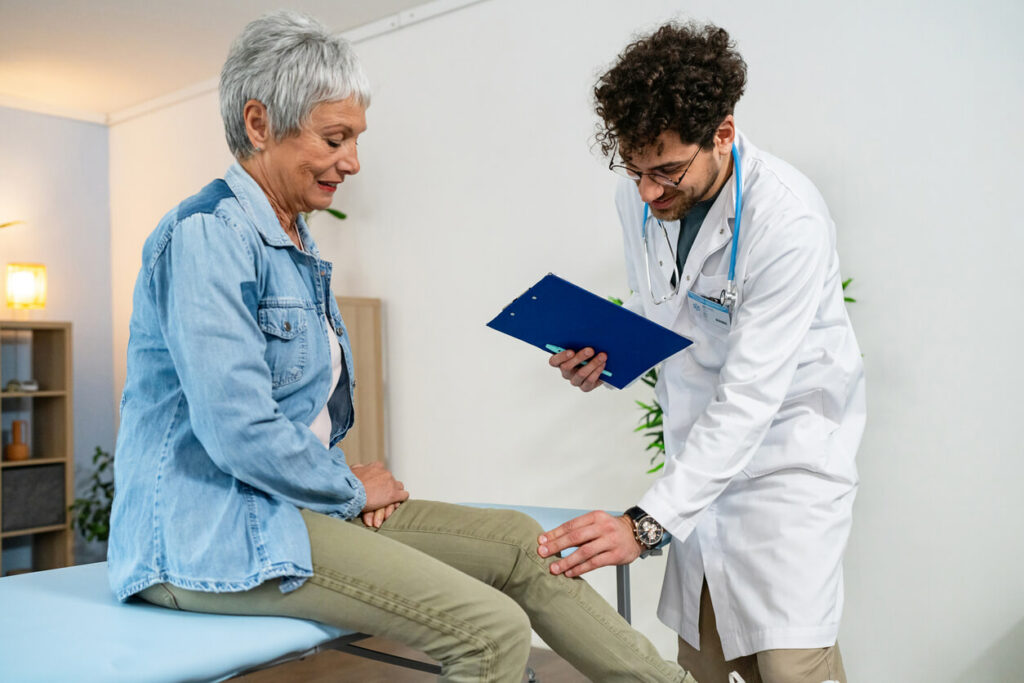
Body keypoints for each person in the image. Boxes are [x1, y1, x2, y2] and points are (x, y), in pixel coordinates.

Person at [106, 10, 693, 683]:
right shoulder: (207, 235)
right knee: (491, 632)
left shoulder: (291, 240)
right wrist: (348, 485)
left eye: (355, 139)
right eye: (335, 138)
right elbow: (238, 429)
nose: (352, 161)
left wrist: (338, 488)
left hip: (286, 509)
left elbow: (290, 418)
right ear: (259, 124)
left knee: (523, 546)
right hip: (208, 536)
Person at [538, 22, 863, 683]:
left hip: (784, 469)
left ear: (723, 133)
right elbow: (666, 309)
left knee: (790, 667)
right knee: (704, 663)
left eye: (666, 171)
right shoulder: (640, 200)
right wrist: (609, 354)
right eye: (635, 170)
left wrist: (645, 525)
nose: (648, 192)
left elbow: (751, 397)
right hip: (699, 464)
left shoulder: (787, 220)